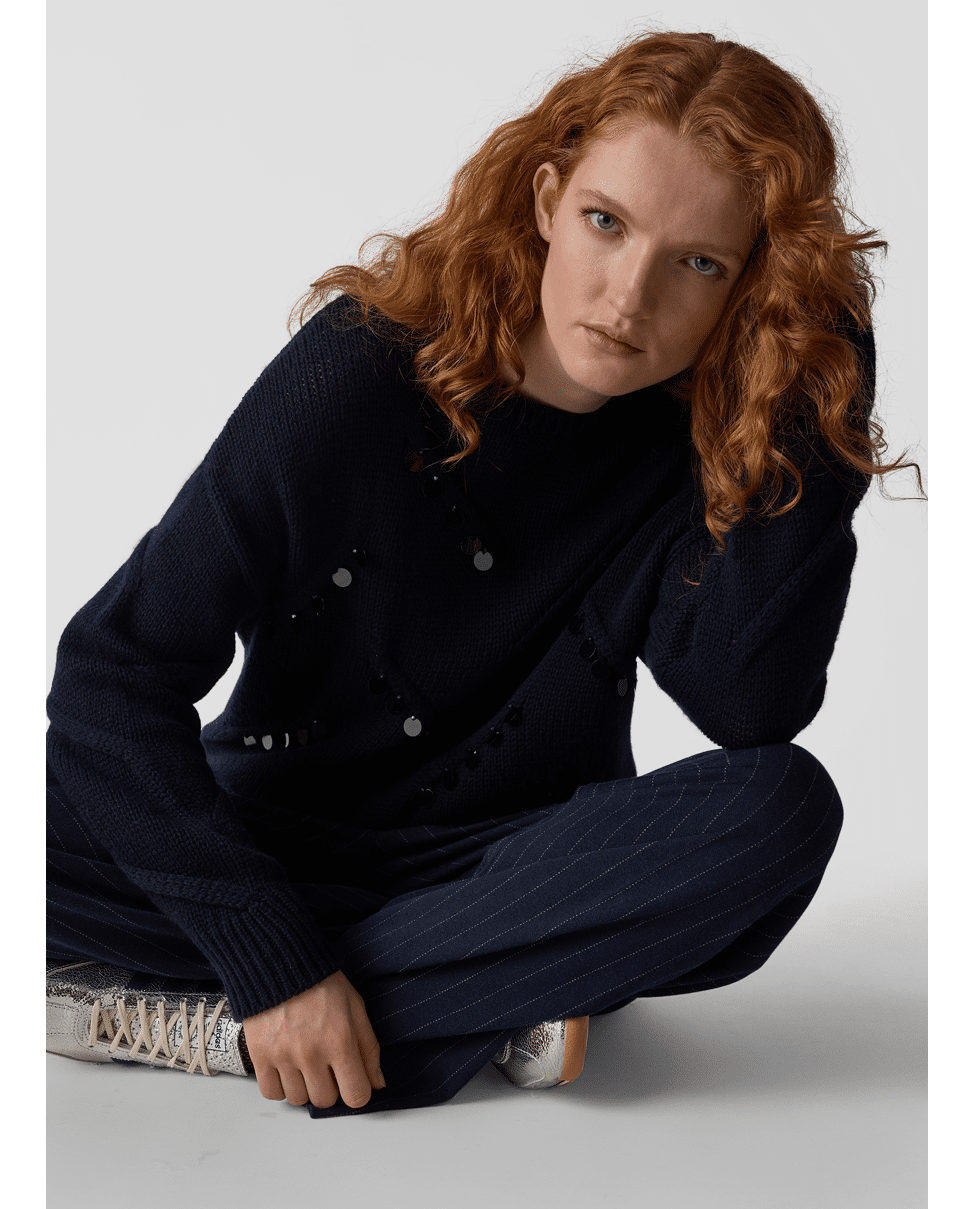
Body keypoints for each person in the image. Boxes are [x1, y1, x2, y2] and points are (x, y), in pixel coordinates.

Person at [45, 29, 921, 1118]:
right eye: (606, 222)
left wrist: (821, 362)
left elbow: (750, 706)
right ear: (548, 199)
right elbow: (111, 675)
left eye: (699, 263)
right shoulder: (364, 368)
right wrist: (274, 954)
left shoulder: (703, 443)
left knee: (782, 808)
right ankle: (486, 991)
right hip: (274, 834)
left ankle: (244, 1023)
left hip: (509, 870)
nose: (629, 295)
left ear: (752, 283)